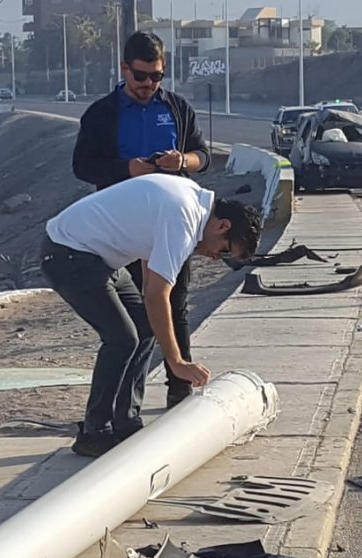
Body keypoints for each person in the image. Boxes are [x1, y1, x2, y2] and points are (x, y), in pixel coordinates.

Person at [40, 173, 261, 457]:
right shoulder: (184, 219)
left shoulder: (190, 198)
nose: (216, 256)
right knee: (121, 339)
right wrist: (177, 362)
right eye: (225, 250)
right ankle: (94, 433)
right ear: (223, 225)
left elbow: (150, 267)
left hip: (96, 257)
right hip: (69, 254)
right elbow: (157, 295)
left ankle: (126, 422)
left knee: (145, 328)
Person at [72, 31, 210, 411]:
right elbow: (82, 166)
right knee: (134, 318)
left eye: (156, 76)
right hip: (123, 230)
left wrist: (182, 161)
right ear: (124, 69)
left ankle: (179, 387)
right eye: (141, 76)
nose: (148, 84)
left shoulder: (177, 107)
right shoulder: (102, 114)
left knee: (174, 303)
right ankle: (124, 404)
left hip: (171, 223)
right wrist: (126, 169)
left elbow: (202, 155)